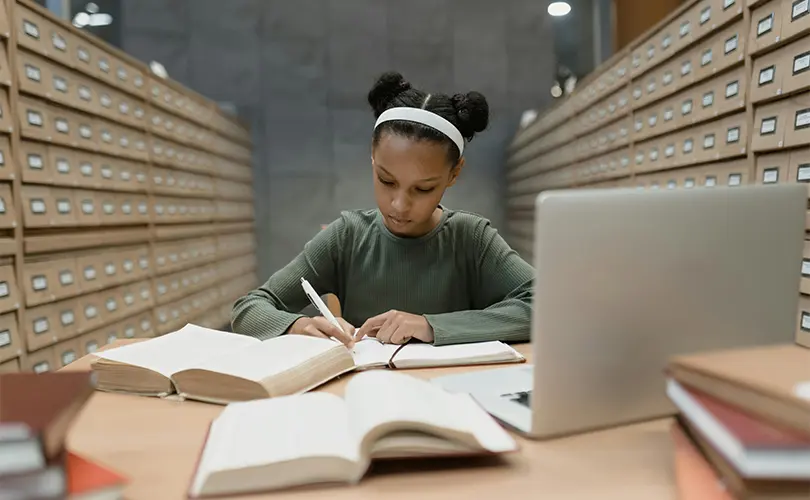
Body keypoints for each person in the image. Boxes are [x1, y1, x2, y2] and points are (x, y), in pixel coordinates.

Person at [231, 71, 534, 347]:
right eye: (386, 181)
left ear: (454, 173)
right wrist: (299, 326)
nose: (399, 205)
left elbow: (547, 304)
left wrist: (432, 326)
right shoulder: (347, 237)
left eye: (423, 189)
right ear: (372, 157)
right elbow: (249, 308)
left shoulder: (472, 239)